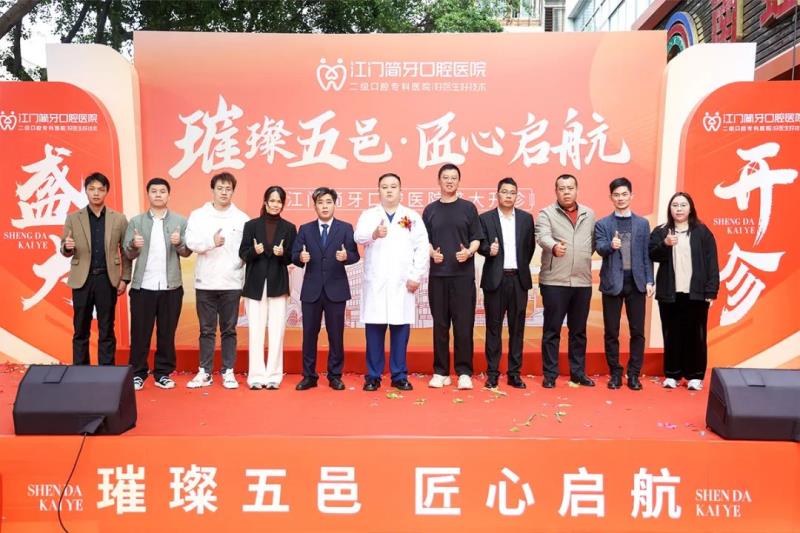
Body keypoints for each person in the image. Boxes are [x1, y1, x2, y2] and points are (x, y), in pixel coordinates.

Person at [354, 173, 429, 391]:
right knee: (374, 332)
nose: (389, 190)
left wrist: (415, 276)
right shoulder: (369, 215)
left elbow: (422, 247)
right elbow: (358, 237)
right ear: (378, 190)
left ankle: (399, 375)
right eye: (384, 187)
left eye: (393, 186)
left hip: (402, 283)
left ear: (400, 190)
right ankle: (373, 376)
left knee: (400, 330)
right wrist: (374, 234)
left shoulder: (411, 216)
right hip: (376, 282)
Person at [123, 177, 192, 391]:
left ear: (168, 195)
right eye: (154, 191)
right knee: (140, 333)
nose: (158, 194)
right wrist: (134, 245)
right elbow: (127, 253)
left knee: (166, 333)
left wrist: (178, 243)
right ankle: (138, 373)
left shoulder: (180, 221)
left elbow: (187, 252)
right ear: (148, 195)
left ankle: (163, 373)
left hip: (171, 287)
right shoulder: (136, 222)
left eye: (162, 191)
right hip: (143, 286)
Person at [649, 192, 719, 391]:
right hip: (669, 292)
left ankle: (695, 376)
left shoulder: (702, 232)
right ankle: (672, 374)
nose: (679, 209)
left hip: (696, 293)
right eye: (675, 205)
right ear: (669, 209)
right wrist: (665, 244)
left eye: (683, 205)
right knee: (671, 334)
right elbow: (651, 254)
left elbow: (712, 262)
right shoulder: (661, 231)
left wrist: (711, 290)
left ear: (690, 208)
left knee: (696, 335)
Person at [184, 172, 248, 389]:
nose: (224, 192)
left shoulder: (242, 218)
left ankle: (228, 371)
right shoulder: (198, 215)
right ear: (212, 189)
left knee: (229, 330)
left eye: (228, 189)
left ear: (233, 191)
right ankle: (205, 372)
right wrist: (211, 241)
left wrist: (239, 269)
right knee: (206, 330)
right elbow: (191, 242)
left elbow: (246, 250)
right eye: (220, 188)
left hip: (231, 282)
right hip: (206, 282)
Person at [291, 187, 360, 391]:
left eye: (328, 202)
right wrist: (300, 257)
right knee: (309, 336)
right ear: (315, 206)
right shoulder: (305, 229)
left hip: (336, 290)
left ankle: (335, 375)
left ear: (334, 204)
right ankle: (309, 376)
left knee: (336, 336)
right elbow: (294, 254)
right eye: (320, 203)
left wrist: (346, 256)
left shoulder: (345, 228)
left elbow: (355, 255)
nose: (324, 206)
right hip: (311, 290)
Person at [422, 163, 483, 390]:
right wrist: (431, 253)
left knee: (463, 325)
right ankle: (441, 372)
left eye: (453, 178)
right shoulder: (430, 210)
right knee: (440, 325)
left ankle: (464, 372)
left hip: (463, 277)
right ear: (439, 181)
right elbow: (424, 240)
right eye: (445, 177)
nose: (449, 181)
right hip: (438, 276)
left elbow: (477, 238)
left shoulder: (468, 208)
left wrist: (469, 252)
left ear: (459, 181)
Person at [60, 172, 131, 365]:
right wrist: (67, 247)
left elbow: (125, 251)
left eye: (100, 189)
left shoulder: (119, 219)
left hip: (107, 279)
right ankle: (80, 371)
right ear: (86, 191)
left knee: (107, 328)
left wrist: (125, 278)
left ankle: (106, 372)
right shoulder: (73, 218)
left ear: (106, 191)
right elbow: (65, 249)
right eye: (92, 189)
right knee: (80, 328)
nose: (96, 193)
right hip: (82, 279)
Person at [535, 174, 596, 388]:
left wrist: (580, 258)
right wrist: (553, 246)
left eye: (570, 188)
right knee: (552, 331)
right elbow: (542, 236)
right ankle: (550, 374)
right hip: (554, 281)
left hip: (582, 282)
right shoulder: (546, 213)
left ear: (577, 190)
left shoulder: (589, 214)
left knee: (578, 332)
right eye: (562, 188)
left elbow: (592, 243)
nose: (566, 192)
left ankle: (577, 373)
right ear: (556, 191)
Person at [595, 177, 654, 391]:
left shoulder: (642, 223)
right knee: (612, 331)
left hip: (637, 283)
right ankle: (615, 373)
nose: (620, 198)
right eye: (616, 195)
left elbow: (647, 255)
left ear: (631, 196)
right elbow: (600, 248)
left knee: (637, 332)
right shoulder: (603, 224)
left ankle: (634, 374)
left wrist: (649, 280)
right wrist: (611, 245)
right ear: (611, 197)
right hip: (612, 282)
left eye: (624, 194)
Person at [477, 177, 536, 389]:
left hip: (518, 280)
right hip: (495, 280)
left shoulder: (526, 219)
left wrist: (519, 267)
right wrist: (488, 250)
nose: (508, 196)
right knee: (493, 328)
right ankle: (492, 373)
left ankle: (514, 374)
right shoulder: (486, 218)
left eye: (512, 192)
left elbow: (529, 248)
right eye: (504, 192)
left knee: (517, 329)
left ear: (516, 196)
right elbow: (480, 244)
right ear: (497, 194)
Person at [239, 186, 297, 390]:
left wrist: (283, 254)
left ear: (283, 204)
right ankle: (255, 376)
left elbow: (293, 257)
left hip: (277, 285)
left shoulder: (289, 228)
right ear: (265, 202)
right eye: (272, 200)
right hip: (255, 285)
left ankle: (273, 375)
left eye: (279, 201)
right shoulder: (251, 225)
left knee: (277, 330)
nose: (275, 205)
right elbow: (243, 253)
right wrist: (254, 251)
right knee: (255, 331)